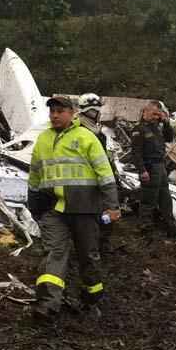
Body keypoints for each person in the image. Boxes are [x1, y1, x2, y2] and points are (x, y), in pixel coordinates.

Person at [28, 95, 120, 317]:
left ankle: (91, 298)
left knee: (88, 256)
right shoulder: (43, 139)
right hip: (54, 209)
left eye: (60, 111)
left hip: (85, 209)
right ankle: (49, 303)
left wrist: (112, 205)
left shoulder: (87, 138)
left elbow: (105, 174)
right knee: (55, 253)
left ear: (73, 113)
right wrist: (33, 202)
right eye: (52, 111)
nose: (55, 115)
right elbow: (35, 173)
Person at [78, 93, 118, 253]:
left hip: (103, 176)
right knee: (90, 213)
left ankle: (104, 240)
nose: (94, 112)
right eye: (90, 109)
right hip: (87, 179)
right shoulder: (79, 130)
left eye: (96, 108)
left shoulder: (98, 130)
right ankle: (91, 244)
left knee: (108, 209)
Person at [130, 100, 176, 237]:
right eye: (154, 114)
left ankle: (170, 225)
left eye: (158, 114)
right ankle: (145, 227)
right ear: (145, 112)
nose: (156, 117)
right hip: (149, 167)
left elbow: (169, 138)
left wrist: (166, 122)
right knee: (148, 199)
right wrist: (142, 170)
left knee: (165, 198)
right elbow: (136, 153)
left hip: (160, 166)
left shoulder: (156, 128)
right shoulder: (139, 129)